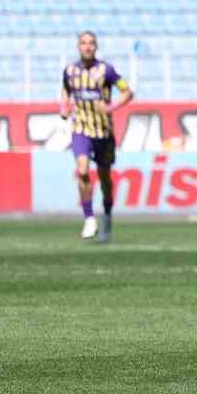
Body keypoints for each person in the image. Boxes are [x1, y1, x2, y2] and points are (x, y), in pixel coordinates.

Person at [60, 32, 133, 242]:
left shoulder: (106, 71)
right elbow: (65, 90)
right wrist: (64, 108)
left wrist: (111, 107)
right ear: (78, 47)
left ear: (96, 47)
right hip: (81, 129)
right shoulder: (70, 71)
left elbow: (127, 92)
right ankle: (89, 218)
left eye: (91, 43)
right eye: (83, 43)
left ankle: (107, 216)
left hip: (103, 133)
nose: (87, 47)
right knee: (82, 171)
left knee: (104, 178)